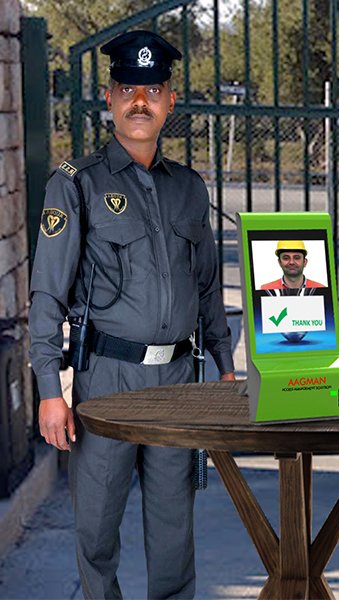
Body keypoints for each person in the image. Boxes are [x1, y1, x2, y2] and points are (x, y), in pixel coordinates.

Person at [28, 30, 235, 599]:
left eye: (152, 89)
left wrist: (223, 364)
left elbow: (208, 287)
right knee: (96, 533)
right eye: (127, 89)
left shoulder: (190, 189)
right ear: (109, 97)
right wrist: (50, 388)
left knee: (174, 534)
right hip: (106, 381)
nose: (139, 100)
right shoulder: (77, 185)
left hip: (177, 382)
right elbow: (47, 293)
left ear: (169, 101)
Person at [260, 240, 326, 296]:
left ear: (305, 262)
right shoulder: (266, 290)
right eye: (286, 258)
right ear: (279, 262)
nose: (291, 262)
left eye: (297, 258)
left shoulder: (320, 289)